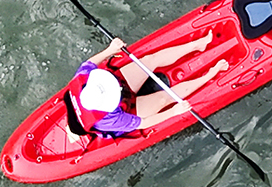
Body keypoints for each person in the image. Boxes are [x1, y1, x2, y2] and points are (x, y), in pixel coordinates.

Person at [64, 32, 228, 137]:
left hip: (117, 94)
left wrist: (111, 49)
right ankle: (211, 74)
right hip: (124, 109)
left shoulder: (83, 78)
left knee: (150, 61)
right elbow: (144, 123)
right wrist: (173, 112)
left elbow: (90, 62)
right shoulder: (109, 120)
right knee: (165, 98)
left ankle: (198, 45)